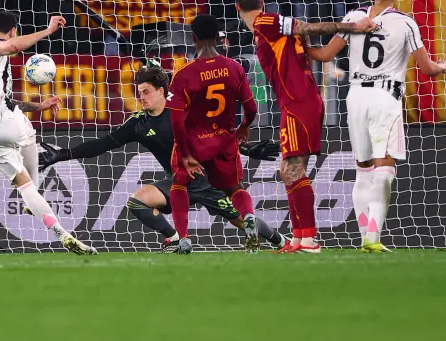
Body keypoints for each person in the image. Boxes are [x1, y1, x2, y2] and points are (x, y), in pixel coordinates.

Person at [39, 64, 286, 253]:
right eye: (139, 92)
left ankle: (281, 241)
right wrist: (63, 154)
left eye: (146, 92)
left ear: (161, 92)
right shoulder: (138, 123)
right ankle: (174, 238)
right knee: (137, 201)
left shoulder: (184, 113)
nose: (141, 97)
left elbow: (217, 137)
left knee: (243, 222)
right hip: (177, 181)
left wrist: (248, 149)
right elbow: (102, 144)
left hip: (207, 181)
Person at [305, 0, 446, 253]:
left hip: (356, 96)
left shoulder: (353, 18)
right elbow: (426, 68)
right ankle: (372, 236)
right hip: (386, 96)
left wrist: (300, 43)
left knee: (363, 169)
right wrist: (443, 67)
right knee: (384, 168)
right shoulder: (406, 23)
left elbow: (323, 55)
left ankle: (365, 237)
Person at [234, 0, 377, 253]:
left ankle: (309, 240)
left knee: (293, 170)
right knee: (288, 171)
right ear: (261, 1)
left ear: (237, 7)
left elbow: (307, 27)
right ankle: (299, 238)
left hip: (299, 102)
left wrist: (352, 27)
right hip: (300, 101)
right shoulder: (270, 30)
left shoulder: (266, 22)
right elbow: (302, 35)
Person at [0, 11, 96, 255]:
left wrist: (39, 106)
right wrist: (48, 31)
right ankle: (35, 193)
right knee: (28, 134)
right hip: (1, 122)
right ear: (13, 30)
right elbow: (12, 46)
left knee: (26, 188)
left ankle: (61, 233)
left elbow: (7, 102)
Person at [167, 15, 256, 254]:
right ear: (218, 38)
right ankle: (249, 219)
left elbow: (176, 120)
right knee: (235, 188)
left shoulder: (183, 74)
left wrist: (185, 154)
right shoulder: (234, 67)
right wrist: (245, 125)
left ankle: (183, 238)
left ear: (193, 38)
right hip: (224, 140)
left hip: (194, 142)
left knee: (179, 185)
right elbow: (251, 107)